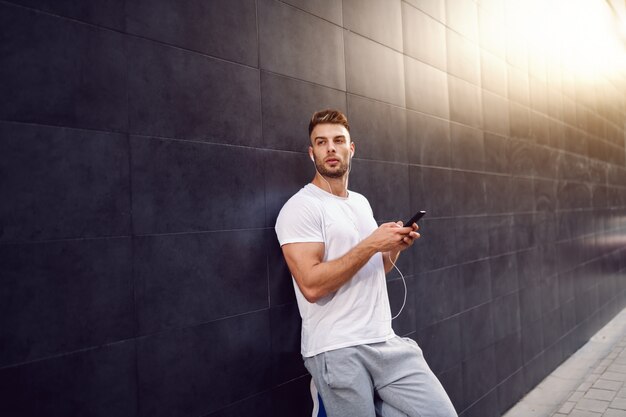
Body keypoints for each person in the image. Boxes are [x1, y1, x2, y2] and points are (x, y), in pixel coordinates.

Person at [275, 109, 457, 417]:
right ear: (312, 152)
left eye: (337, 140)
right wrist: (372, 243)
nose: (330, 148)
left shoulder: (360, 202)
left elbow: (375, 269)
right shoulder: (300, 208)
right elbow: (311, 285)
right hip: (337, 349)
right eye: (321, 142)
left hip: (385, 340)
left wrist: (392, 249)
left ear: (351, 148)